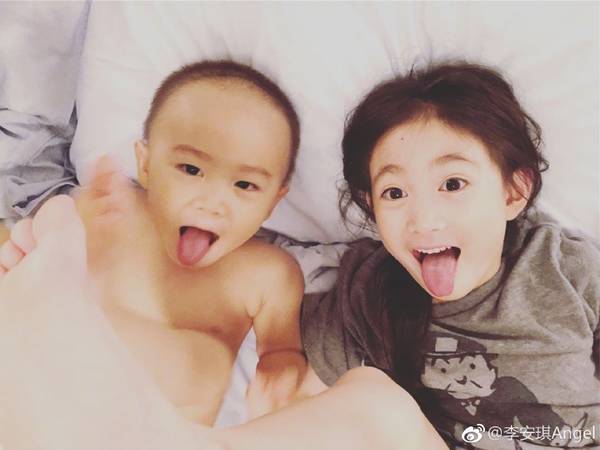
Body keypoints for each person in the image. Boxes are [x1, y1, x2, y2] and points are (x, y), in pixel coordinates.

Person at [302, 61, 600, 449]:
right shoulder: (368, 291)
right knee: (371, 395)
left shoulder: (566, 270)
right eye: (394, 193)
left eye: (453, 184)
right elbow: (294, 398)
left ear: (513, 192)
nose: (424, 220)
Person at [0, 59, 308, 425]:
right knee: (57, 223)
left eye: (245, 185)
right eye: (191, 169)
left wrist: (280, 370)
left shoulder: (269, 273)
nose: (211, 203)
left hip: (157, 429)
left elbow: (281, 349)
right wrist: (86, 237)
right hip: (49, 397)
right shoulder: (113, 212)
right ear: (145, 165)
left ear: (274, 201)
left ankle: (63, 314)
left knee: (205, 365)